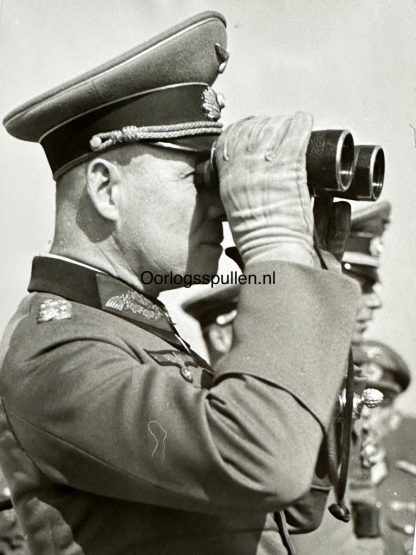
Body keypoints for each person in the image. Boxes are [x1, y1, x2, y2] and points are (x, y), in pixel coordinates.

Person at [0, 11, 360, 555]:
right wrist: (274, 247)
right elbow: (262, 464)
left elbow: (300, 503)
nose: (221, 203)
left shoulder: (135, 327)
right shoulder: (56, 353)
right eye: (199, 175)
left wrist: (307, 279)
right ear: (104, 188)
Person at [354, 340, 415, 555]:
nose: (367, 412)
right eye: (358, 398)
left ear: (393, 419)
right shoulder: (318, 480)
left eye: (379, 402)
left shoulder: (412, 488)